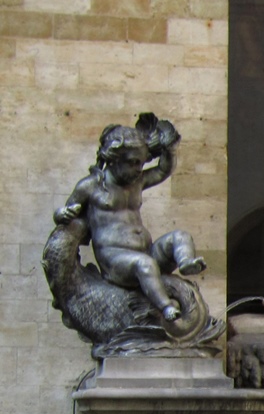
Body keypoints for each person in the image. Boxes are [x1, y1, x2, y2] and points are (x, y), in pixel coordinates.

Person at [53, 115, 207, 323]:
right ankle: (166, 306)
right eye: (133, 163)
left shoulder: (137, 181)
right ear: (114, 159)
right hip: (116, 261)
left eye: (141, 163)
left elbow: (163, 170)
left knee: (180, 236)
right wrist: (62, 214)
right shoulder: (90, 187)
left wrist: (169, 151)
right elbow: (67, 211)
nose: (138, 169)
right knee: (144, 265)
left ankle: (187, 262)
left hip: (147, 252)